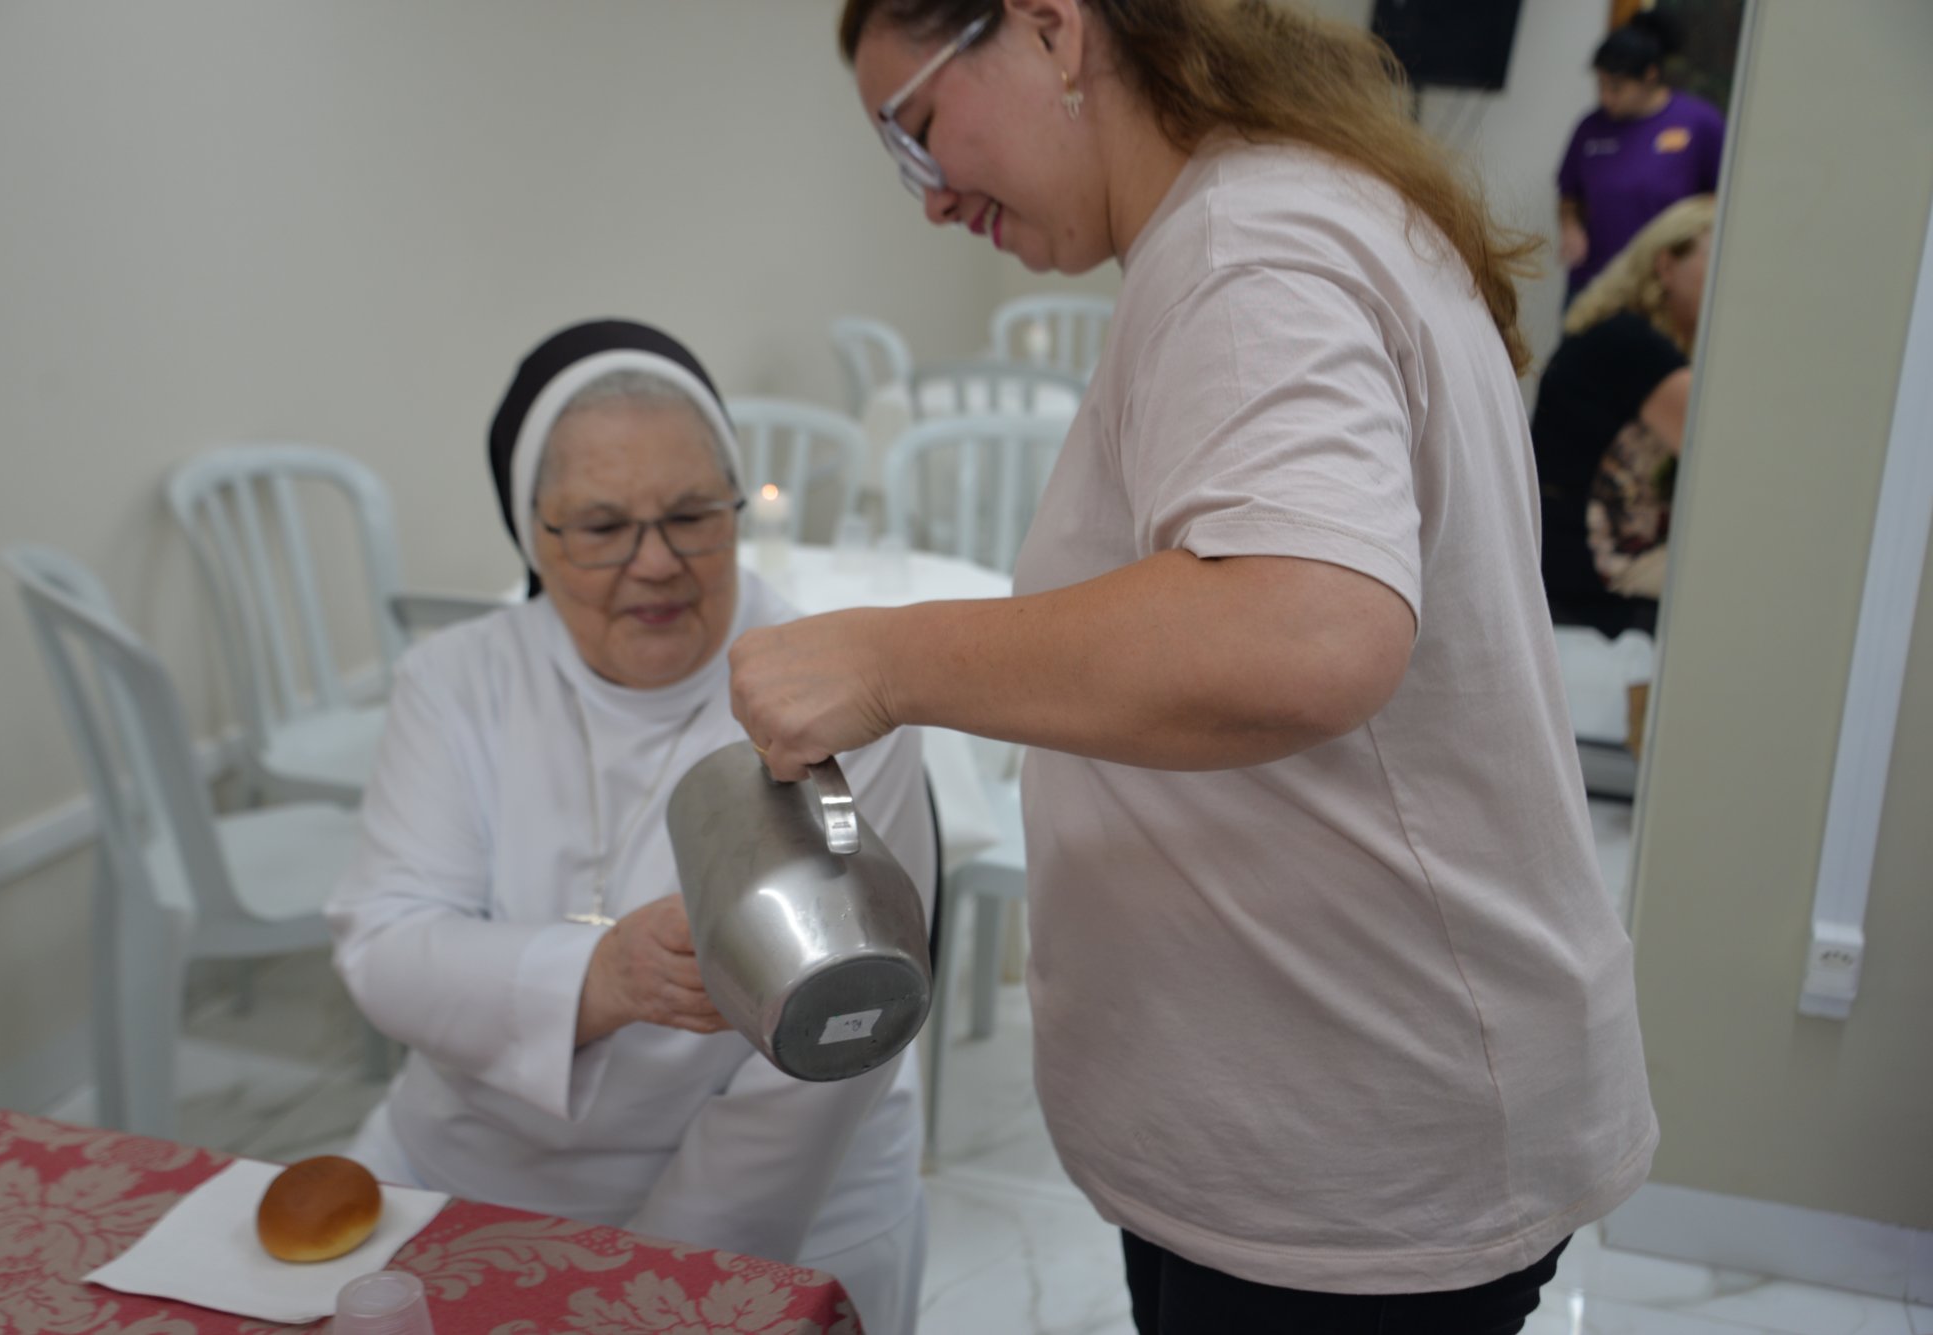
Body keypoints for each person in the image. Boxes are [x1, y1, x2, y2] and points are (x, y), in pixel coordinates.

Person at [728, 2, 1659, 1331]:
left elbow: (1304, 630)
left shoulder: (1247, 247)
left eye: (918, 128)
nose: (927, 197)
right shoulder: (1271, 217)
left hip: (1354, 1156)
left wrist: (884, 657)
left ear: (1050, 30)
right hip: (1304, 1119)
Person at [326, 319, 936, 1334]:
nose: (655, 564)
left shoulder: (834, 697)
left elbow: (838, 1040)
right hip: (465, 1169)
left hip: (775, 1209)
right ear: (534, 535)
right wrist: (602, 978)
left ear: (735, 507)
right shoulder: (455, 680)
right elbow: (385, 947)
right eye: (602, 527)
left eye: (691, 515)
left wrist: (653, 1282)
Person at [1533, 194, 1715, 635]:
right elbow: (1725, 468)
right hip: (1587, 593)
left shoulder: (1615, 332)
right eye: (1718, 258)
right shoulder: (1634, 345)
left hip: (1566, 576)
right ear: (1666, 265)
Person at [1557, 10, 1724, 300]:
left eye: (1616, 87)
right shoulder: (1590, 127)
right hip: (1593, 284)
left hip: (1661, 289)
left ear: (1650, 76)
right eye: (1600, 85)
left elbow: (1721, 201)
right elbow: (1569, 194)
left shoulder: (1699, 124)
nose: (1606, 97)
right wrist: (1570, 228)